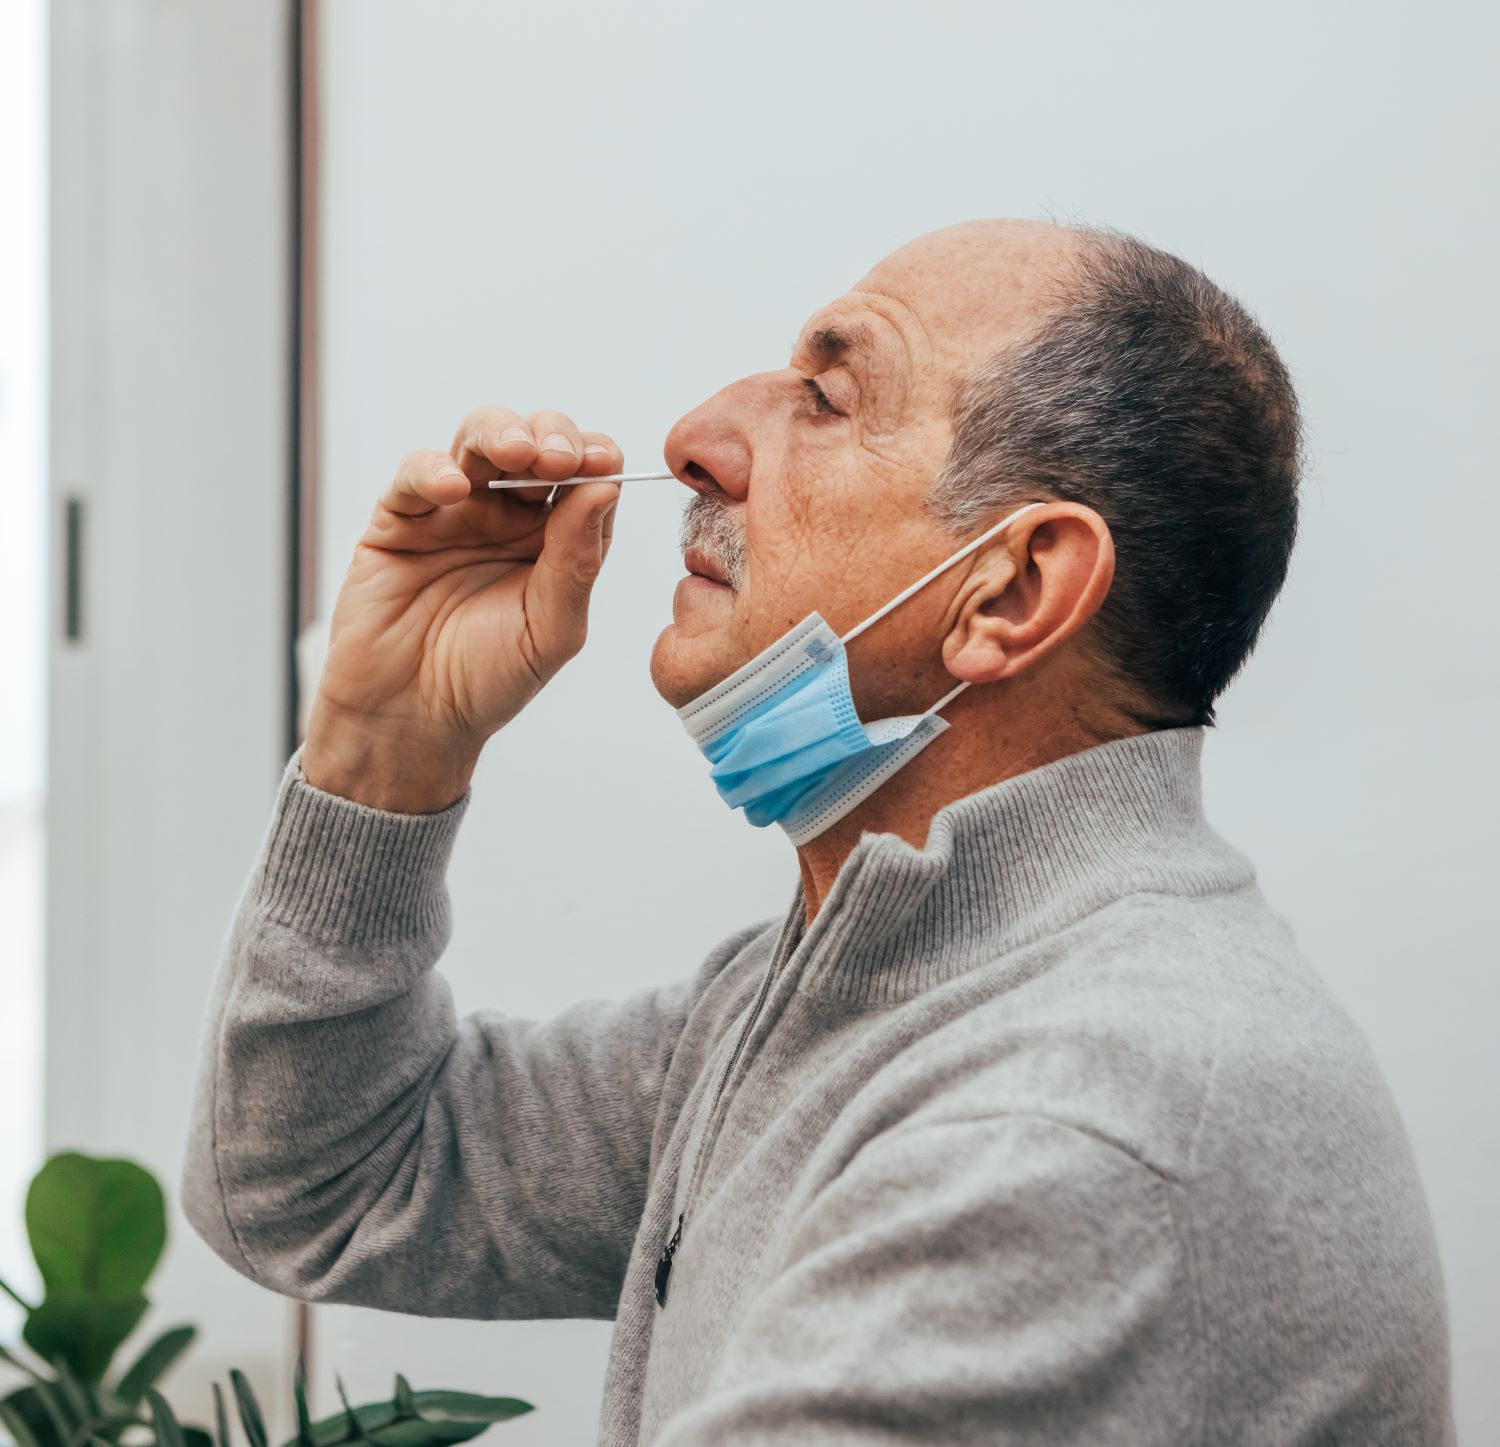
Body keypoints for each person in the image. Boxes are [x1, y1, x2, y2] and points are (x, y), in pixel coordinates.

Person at [181, 220, 1454, 1445]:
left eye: (828, 400)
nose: (695, 440)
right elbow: (321, 1184)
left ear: (1012, 590)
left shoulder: (1087, 1117)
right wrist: (386, 745)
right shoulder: (849, 991)